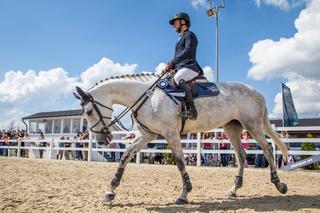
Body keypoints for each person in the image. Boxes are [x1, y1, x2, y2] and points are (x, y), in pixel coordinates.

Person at [164, 12, 203, 120]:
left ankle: (192, 110)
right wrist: (172, 66)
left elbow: (188, 50)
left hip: (190, 66)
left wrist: (174, 61)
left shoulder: (189, 35)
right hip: (181, 67)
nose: (173, 25)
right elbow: (179, 56)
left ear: (183, 22)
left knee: (178, 78)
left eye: (175, 22)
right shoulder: (179, 39)